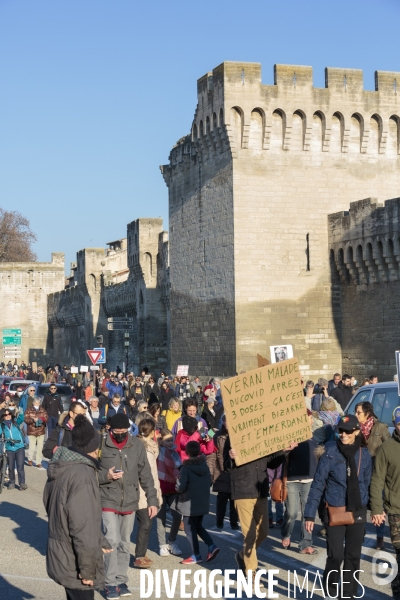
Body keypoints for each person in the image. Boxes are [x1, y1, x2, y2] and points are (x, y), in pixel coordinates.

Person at [43, 414, 113, 600]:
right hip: (74, 561)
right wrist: (88, 570)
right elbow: (82, 527)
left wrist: (99, 539)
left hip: (62, 554)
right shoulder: (83, 475)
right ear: (93, 447)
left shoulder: (63, 466)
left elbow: (63, 511)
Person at [304, 414, 372, 599]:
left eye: (348, 431)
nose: (343, 434)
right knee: (336, 556)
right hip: (334, 509)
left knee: (353, 557)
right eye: (340, 430)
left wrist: (375, 510)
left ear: (357, 432)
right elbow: (318, 483)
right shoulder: (330, 451)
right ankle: (331, 594)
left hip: (357, 509)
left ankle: (349, 595)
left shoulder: (364, 454)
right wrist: (309, 515)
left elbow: (367, 483)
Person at [98, 413, 158, 600]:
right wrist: (106, 476)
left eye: (124, 431)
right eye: (117, 431)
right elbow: (90, 472)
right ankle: (109, 583)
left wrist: (152, 500)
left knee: (124, 543)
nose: (121, 434)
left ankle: (121, 579)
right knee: (112, 540)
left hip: (130, 500)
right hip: (108, 499)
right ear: (110, 430)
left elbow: (146, 474)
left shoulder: (137, 445)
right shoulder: (100, 445)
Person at [224, 437, 297, 582]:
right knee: (250, 533)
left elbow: (272, 462)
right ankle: (250, 571)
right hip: (242, 491)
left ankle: (243, 555)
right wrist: (231, 457)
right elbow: (227, 467)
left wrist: (284, 451)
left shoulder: (259, 434)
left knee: (264, 531)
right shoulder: (233, 436)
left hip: (260, 491)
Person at [370, 406, 400, 600]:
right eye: (399, 423)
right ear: (395, 424)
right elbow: (377, 480)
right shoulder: (386, 448)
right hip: (397, 511)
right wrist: (376, 509)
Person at [176, 440, 220, 564]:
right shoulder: (204, 466)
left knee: (189, 529)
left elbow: (181, 486)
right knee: (198, 526)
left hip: (189, 504)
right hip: (202, 502)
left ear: (187, 453)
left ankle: (196, 555)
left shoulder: (185, 468)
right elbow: (209, 481)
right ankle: (211, 545)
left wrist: (176, 486)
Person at [281, 410, 318, 554]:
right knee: (291, 513)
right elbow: (282, 454)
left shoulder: (314, 436)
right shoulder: (290, 434)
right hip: (291, 480)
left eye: (311, 418)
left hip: (309, 480)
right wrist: (286, 449)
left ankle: (305, 543)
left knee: (307, 513)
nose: (311, 421)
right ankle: (286, 533)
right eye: (309, 418)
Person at [354, 401, 389, 550]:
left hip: (377, 472)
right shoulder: (354, 429)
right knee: (360, 503)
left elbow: (388, 447)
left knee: (378, 504)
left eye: (359, 412)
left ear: (367, 413)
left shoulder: (380, 427)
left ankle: (380, 537)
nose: (356, 415)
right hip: (360, 471)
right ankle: (360, 532)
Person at [134, 418, 163, 568]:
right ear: (151, 431)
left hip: (150, 489)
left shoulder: (150, 445)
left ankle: (141, 553)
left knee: (146, 523)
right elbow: (147, 472)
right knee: (145, 523)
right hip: (142, 489)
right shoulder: (141, 447)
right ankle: (139, 555)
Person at [156, 429, 183, 556]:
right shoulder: (157, 452)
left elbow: (179, 467)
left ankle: (172, 541)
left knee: (177, 516)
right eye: (167, 441)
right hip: (160, 489)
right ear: (161, 441)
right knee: (161, 518)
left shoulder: (175, 453)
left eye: (172, 440)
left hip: (173, 489)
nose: (171, 442)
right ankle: (162, 545)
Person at [211, 415, 239, 530]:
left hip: (234, 472)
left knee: (234, 500)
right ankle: (219, 520)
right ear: (223, 422)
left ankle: (234, 522)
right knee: (221, 499)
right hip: (221, 471)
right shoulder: (217, 435)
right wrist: (212, 471)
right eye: (226, 421)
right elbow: (212, 453)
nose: (228, 424)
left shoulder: (238, 435)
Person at [0, 407, 27, 490]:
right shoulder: (2, 425)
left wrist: (21, 412)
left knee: (20, 466)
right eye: (5, 415)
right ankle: (12, 482)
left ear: (11, 415)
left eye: (9, 414)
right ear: (3, 416)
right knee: (11, 467)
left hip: (19, 446)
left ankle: (22, 483)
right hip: (9, 447)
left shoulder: (15, 422)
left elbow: (21, 418)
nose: (8, 416)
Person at [24, 397, 48, 468]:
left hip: (41, 430)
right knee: (32, 446)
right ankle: (30, 459)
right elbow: (26, 419)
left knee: (40, 448)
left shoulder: (43, 410)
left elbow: (46, 418)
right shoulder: (28, 410)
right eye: (36, 403)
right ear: (33, 403)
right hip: (32, 430)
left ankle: (38, 462)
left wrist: (41, 419)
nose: (37, 404)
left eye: (38, 403)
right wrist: (32, 420)